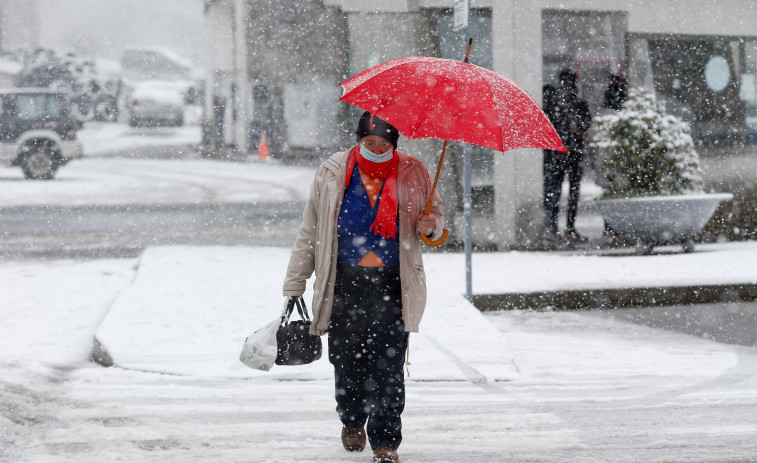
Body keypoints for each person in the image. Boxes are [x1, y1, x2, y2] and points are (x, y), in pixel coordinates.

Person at [282, 111, 443, 463]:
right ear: (358, 139)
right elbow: (310, 231)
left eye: (384, 143)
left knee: (388, 365)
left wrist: (431, 225)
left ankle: (385, 441)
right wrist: (295, 281)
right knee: (346, 361)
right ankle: (352, 419)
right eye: (369, 142)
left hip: (392, 284)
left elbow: (436, 225)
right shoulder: (333, 171)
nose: (376, 148)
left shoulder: (412, 172)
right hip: (344, 283)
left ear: (394, 144)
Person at [543, 69, 592, 246]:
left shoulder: (553, 101)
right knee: (572, 192)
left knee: (553, 191)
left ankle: (552, 228)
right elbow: (585, 125)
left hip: (556, 153)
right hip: (574, 152)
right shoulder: (578, 103)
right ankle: (569, 228)